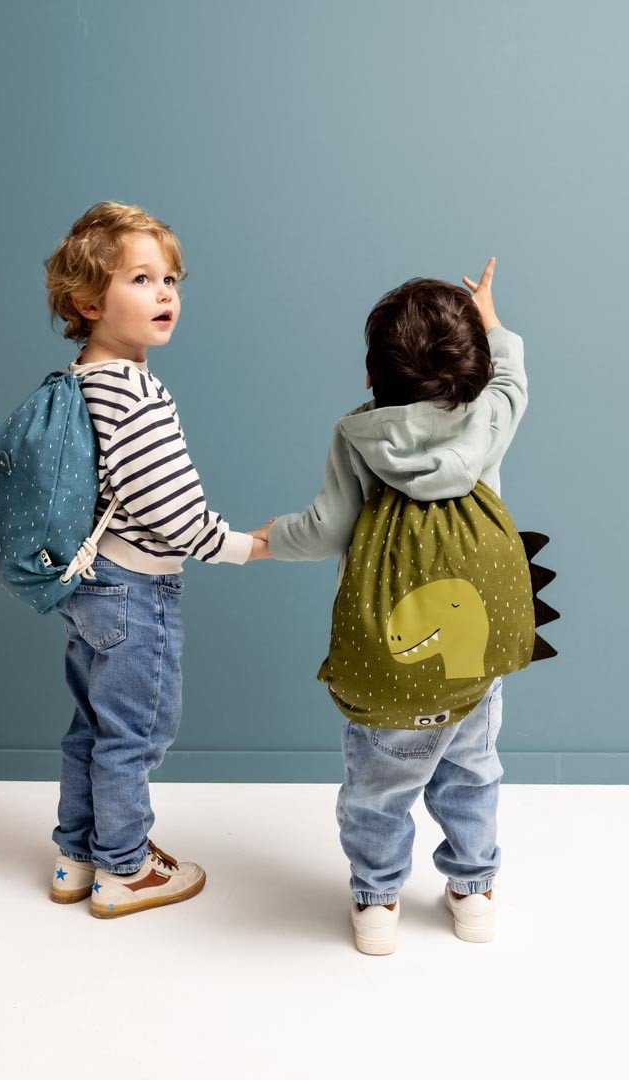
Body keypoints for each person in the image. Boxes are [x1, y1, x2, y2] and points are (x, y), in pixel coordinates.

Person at [251, 259, 527, 952]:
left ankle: (377, 902)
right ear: (475, 368)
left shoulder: (358, 436)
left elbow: (325, 531)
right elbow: (514, 378)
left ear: (372, 375)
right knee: (473, 773)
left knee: (377, 790)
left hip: (387, 666)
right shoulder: (488, 415)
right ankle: (474, 890)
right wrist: (492, 320)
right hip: (472, 665)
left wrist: (268, 540)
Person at [43, 201, 270, 918]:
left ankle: (76, 857)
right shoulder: (136, 394)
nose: (165, 292)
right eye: (140, 279)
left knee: (92, 726)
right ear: (88, 302)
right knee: (134, 734)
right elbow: (174, 515)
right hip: (136, 591)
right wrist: (247, 546)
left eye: (170, 278)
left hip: (87, 582)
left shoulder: (80, 377)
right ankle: (125, 869)